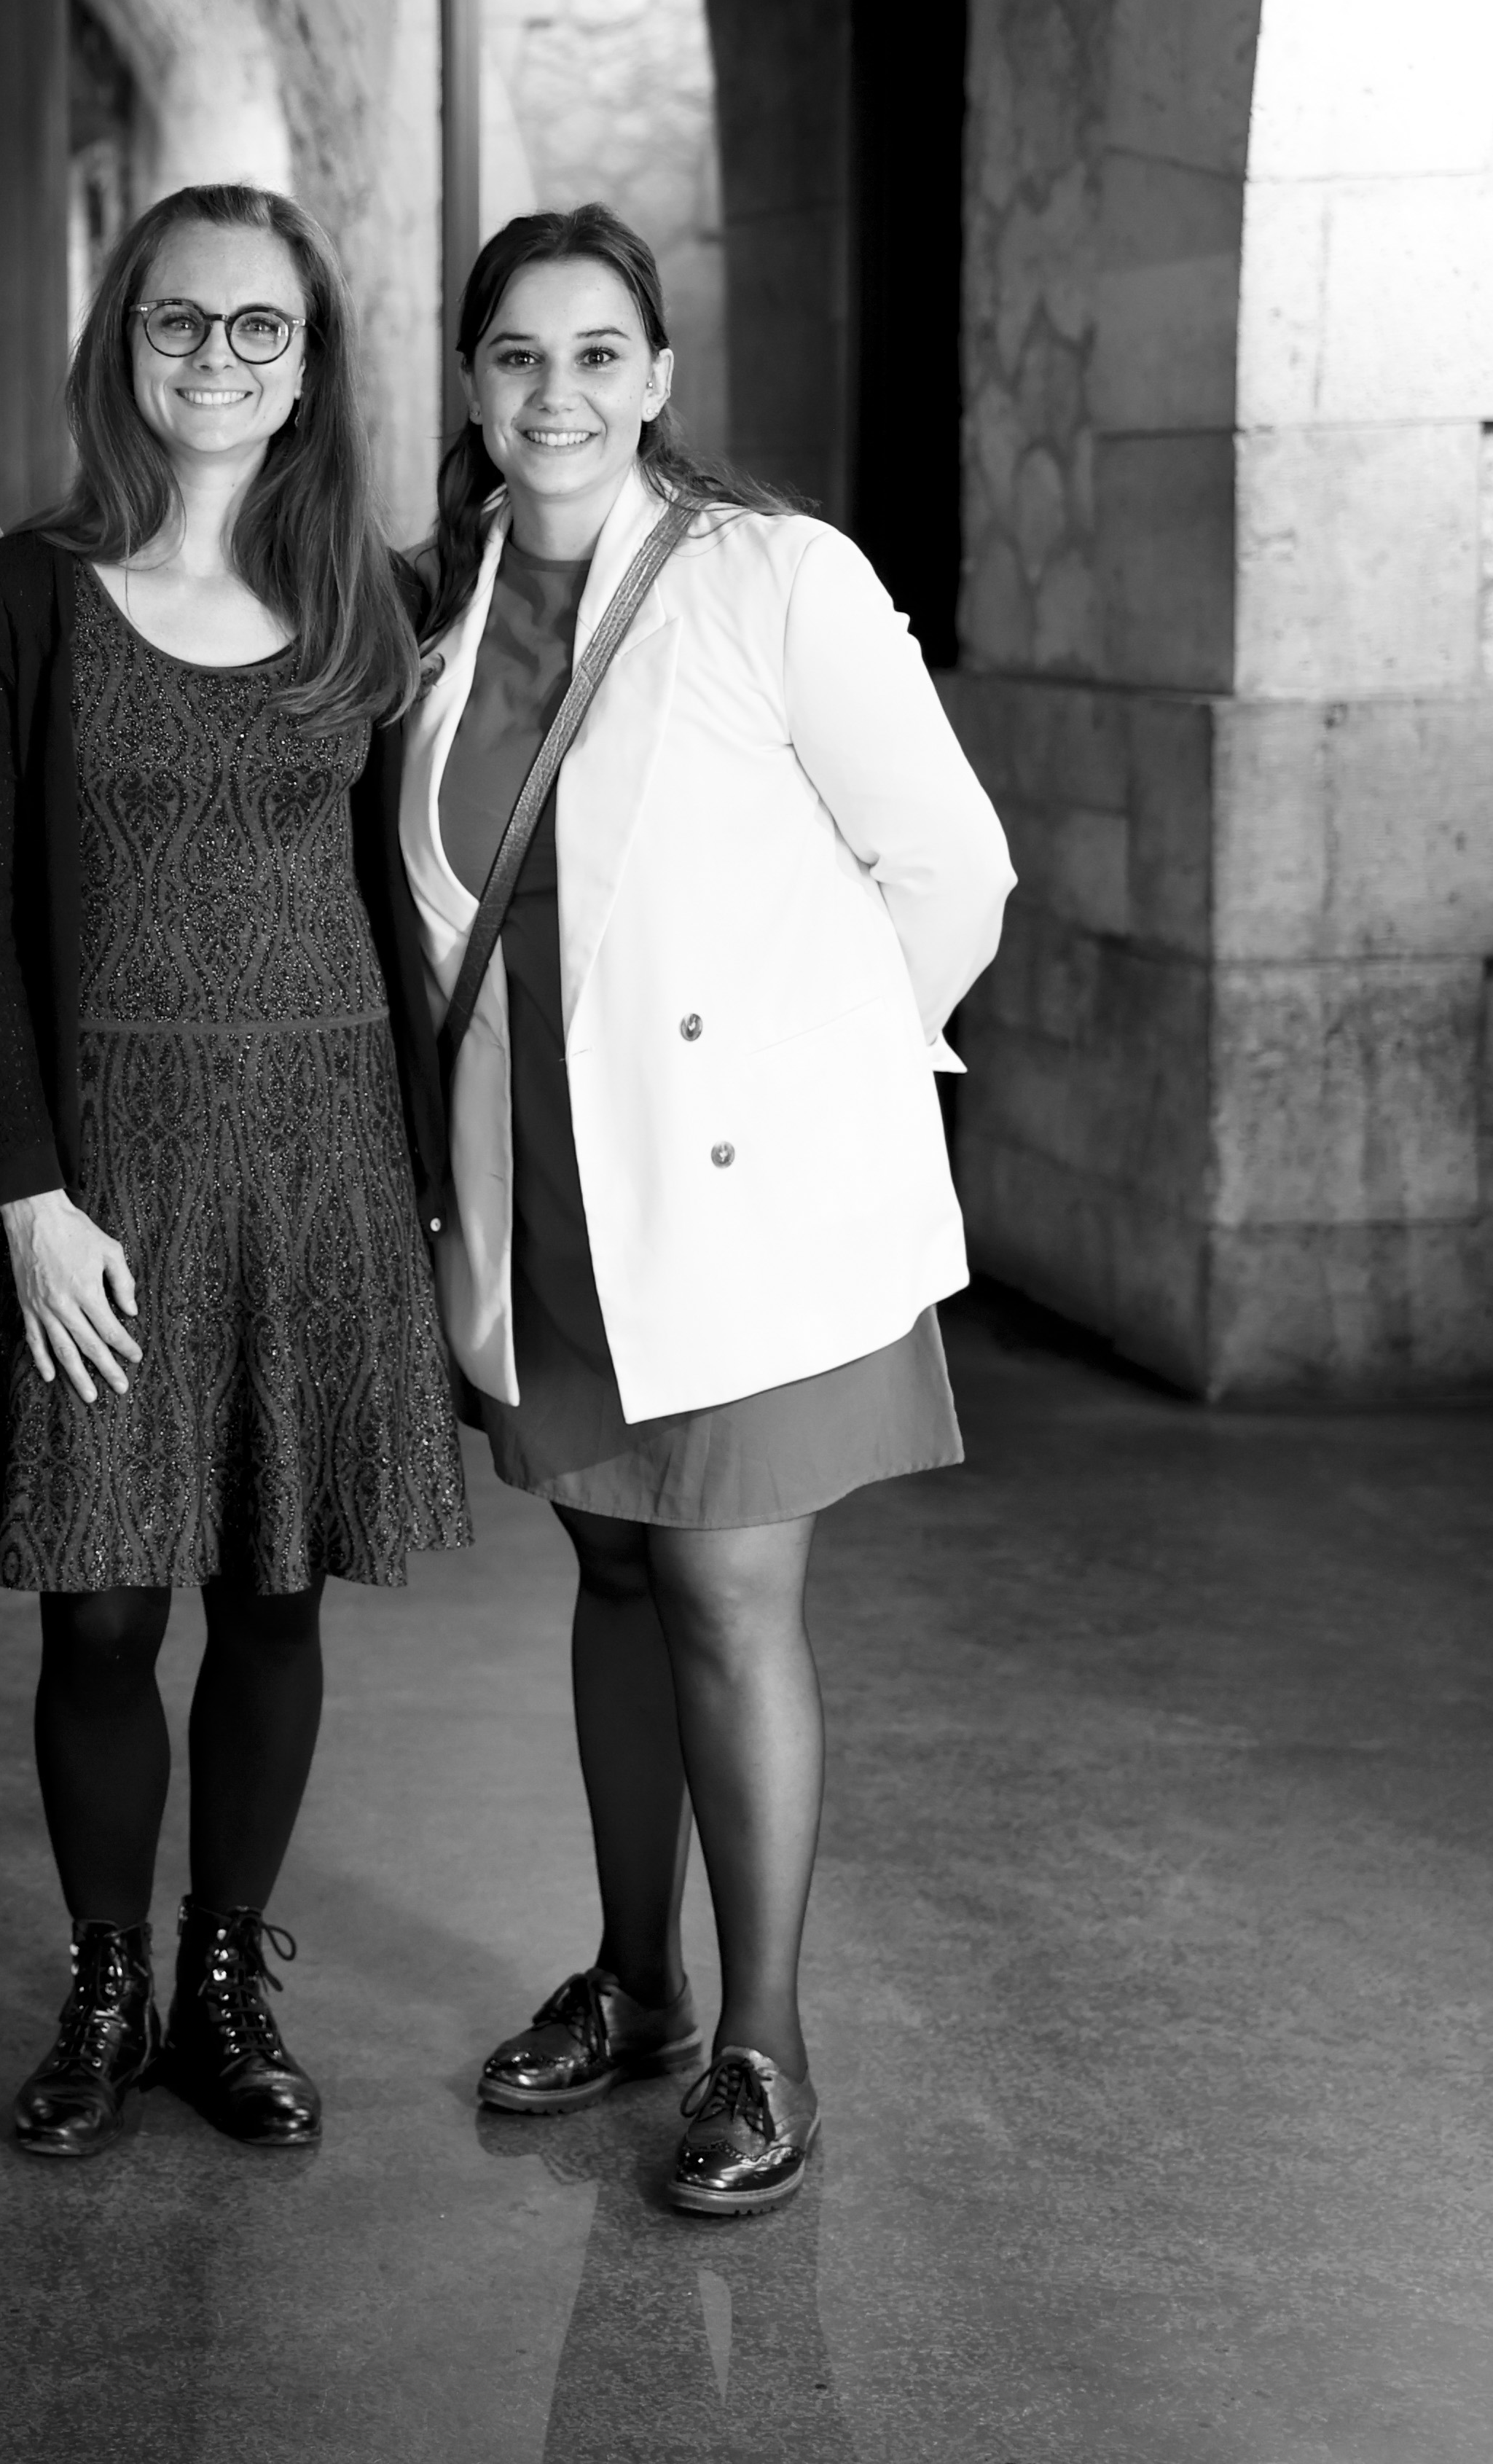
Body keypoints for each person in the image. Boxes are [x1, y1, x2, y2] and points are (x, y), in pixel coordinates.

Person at [404, 206, 1011, 2215]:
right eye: (517, 355)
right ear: (473, 383)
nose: (556, 393)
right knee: (610, 1578)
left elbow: (952, 869)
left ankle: (767, 2046)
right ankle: (636, 1984)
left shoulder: (772, 577)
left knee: (732, 1601)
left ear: (657, 376)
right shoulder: (438, 617)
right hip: (549, 1194)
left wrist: (819, 1089)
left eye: (599, 353)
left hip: (738, 1201)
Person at [0, 185, 469, 2162]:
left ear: (308, 365)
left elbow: (410, 894)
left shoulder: (373, 599)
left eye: (260, 328)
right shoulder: (18, 594)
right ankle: (107, 1981)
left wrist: (440, 1185)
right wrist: (29, 1190)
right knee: (97, 1609)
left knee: (274, 1585)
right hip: (108, 1169)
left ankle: (226, 1982)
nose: (216, 358)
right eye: (179, 321)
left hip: (325, 1150)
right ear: (122, 342)